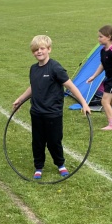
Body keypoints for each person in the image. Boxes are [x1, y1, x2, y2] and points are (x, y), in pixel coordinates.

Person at [13, 35, 91, 180]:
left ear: (49, 49)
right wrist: (20, 99)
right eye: (35, 50)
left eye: (42, 48)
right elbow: (33, 87)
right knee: (38, 141)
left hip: (53, 113)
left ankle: (60, 164)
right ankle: (38, 167)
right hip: (36, 112)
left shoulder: (55, 68)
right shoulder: (33, 69)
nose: (39, 51)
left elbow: (70, 86)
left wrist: (84, 103)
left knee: (54, 141)